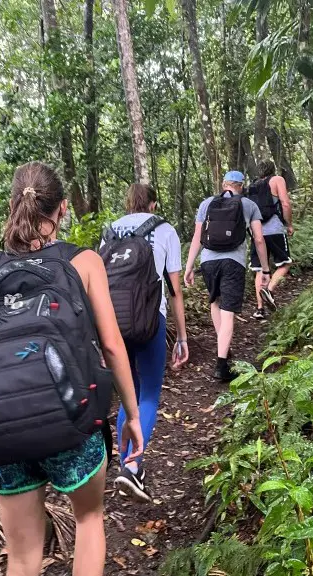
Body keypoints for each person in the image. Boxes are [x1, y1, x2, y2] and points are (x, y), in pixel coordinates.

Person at [0, 162, 143, 576]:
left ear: (13, 206)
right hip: (70, 422)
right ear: (62, 209)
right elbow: (111, 346)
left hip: (3, 431)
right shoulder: (83, 261)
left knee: (23, 563)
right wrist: (131, 414)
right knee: (88, 521)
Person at [103, 184, 188, 502]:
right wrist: (181, 337)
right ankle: (132, 465)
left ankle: (128, 464)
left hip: (114, 324)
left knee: (129, 394)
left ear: (129, 204)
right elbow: (175, 291)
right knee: (149, 393)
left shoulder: (111, 231)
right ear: (153, 204)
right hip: (152, 320)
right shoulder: (164, 229)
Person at [184, 171, 270, 381]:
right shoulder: (249, 205)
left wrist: (188, 267)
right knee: (228, 311)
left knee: (215, 303)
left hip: (208, 262)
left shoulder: (206, 204)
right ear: (242, 185)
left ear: (224, 184)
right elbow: (259, 239)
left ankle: (224, 346)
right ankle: (221, 366)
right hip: (233, 262)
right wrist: (265, 269)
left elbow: (197, 237)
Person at [249, 160, 294, 319]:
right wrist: (289, 224)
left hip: (256, 231)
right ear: (273, 169)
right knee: (285, 263)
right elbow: (285, 203)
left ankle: (260, 309)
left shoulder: (253, 185)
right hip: (274, 229)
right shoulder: (277, 180)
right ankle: (269, 289)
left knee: (260, 269)